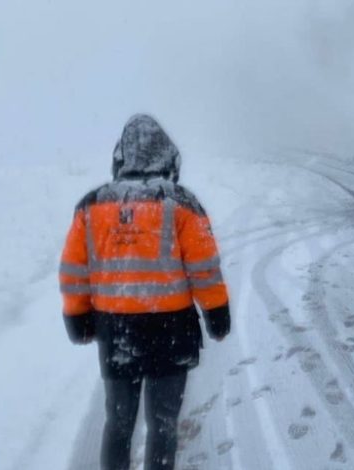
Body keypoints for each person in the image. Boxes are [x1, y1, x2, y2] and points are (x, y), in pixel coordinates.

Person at [58, 114, 230, 470]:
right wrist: (216, 310)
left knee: (118, 424)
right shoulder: (182, 204)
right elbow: (204, 267)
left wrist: (77, 315)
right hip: (172, 332)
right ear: (167, 157)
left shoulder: (92, 206)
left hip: (116, 332)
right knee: (163, 425)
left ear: (121, 157)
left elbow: (75, 269)